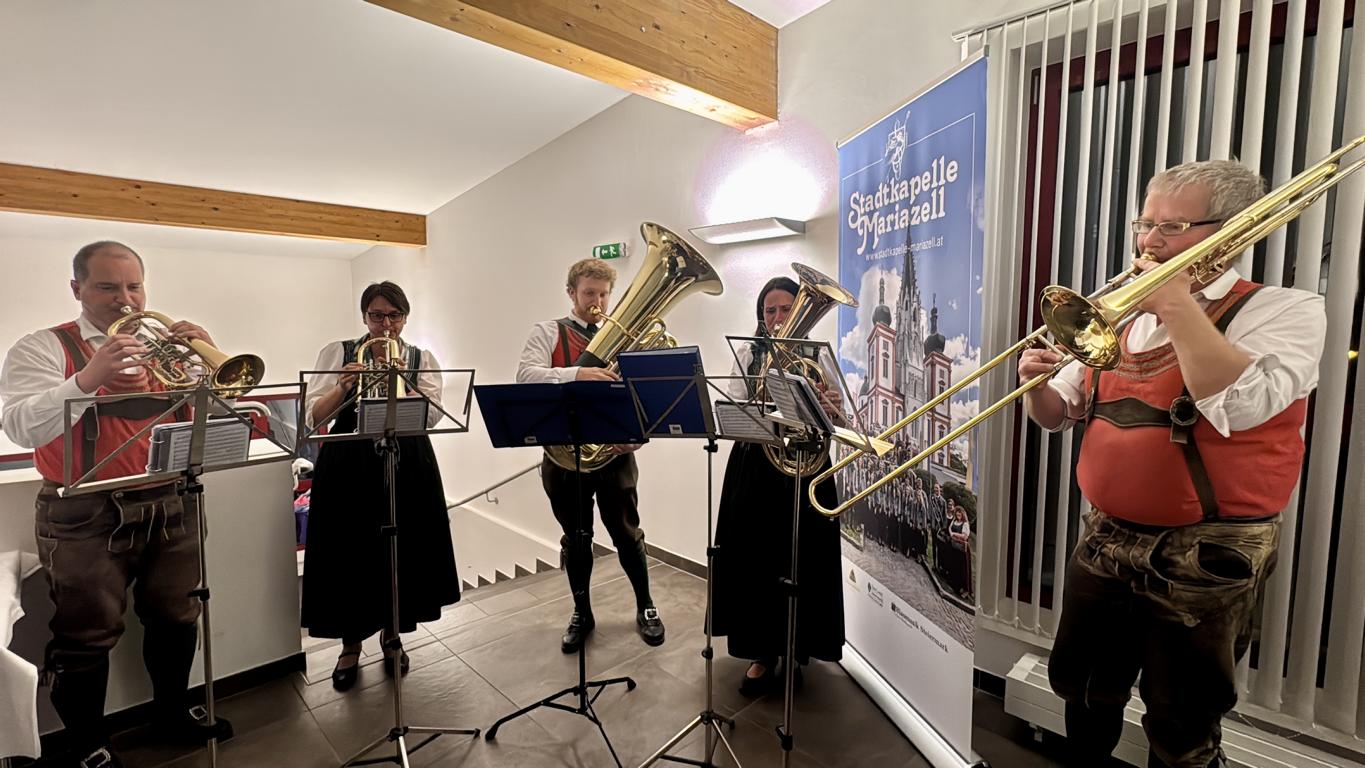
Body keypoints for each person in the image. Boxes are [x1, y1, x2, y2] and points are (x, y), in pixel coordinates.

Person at [1017, 160, 1326, 768]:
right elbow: (1059, 415)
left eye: (1172, 226)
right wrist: (1036, 386)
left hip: (1208, 550)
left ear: (1232, 230)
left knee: (1181, 719)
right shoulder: (1117, 312)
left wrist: (1178, 306)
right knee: (1083, 687)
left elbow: (1240, 407)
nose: (1149, 241)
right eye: (1145, 223)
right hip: (1105, 535)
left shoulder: (1284, 310)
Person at [0, 241, 232, 767]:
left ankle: (172, 714)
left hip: (171, 497)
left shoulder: (163, 348)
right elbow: (20, 426)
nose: (125, 299)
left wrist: (208, 364)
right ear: (77, 289)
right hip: (82, 509)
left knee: (177, 615)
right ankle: (87, 744)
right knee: (86, 634)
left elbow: (218, 417)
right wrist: (89, 378)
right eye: (107, 286)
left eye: (134, 286)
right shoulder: (42, 347)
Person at [300, 281, 460, 691]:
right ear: (364, 316)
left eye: (394, 316)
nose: (385, 324)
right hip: (347, 461)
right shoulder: (337, 352)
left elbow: (432, 417)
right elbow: (314, 418)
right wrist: (343, 385)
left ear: (405, 317)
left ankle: (393, 637)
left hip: (407, 461)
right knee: (347, 551)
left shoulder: (421, 358)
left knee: (402, 550)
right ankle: (350, 646)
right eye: (376, 315)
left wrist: (403, 381)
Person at [516, 258, 665, 652]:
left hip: (615, 454)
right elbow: (526, 376)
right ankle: (582, 612)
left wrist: (638, 437)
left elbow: (643, 396)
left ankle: (646, 606)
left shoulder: (627, 337)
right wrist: (577, 374)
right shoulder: (548, 331)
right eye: (588, 293)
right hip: (563, 457)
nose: (597, 302)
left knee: (627, 533)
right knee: (577, 538)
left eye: (603, 294)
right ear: (571, 293)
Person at [710, 276, 845, 696]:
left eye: (786, 308)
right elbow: (733, 407)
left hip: (806, 468)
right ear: (761, 315)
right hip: (756, 468)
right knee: (755, 560)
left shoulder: (818, 355)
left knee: (804, 559)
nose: (778, 317)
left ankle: (797, 648)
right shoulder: (749, 353)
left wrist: (829, 407)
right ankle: (762, 653)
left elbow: (839, 416)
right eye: (770, 310)